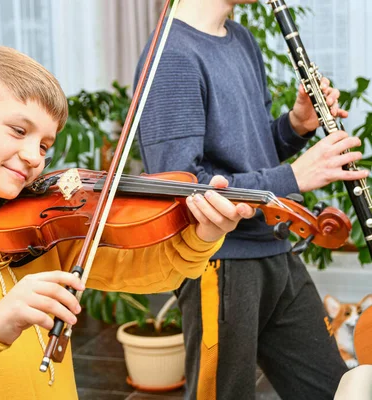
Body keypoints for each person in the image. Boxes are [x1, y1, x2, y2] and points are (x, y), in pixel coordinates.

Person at [0, 45, 255, 400]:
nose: (35, 157)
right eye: (18, 130)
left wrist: (204, 233)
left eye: (45, 145)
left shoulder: (40, 231)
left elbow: (153, 274)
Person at [134, 1, 369, 399]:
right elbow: (182, 190)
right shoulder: (171, 55)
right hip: (220, 260)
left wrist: (296, 126)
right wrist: (294, 176)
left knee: (338, 388)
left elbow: (250, 154)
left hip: (276, 247)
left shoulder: (241, 38)